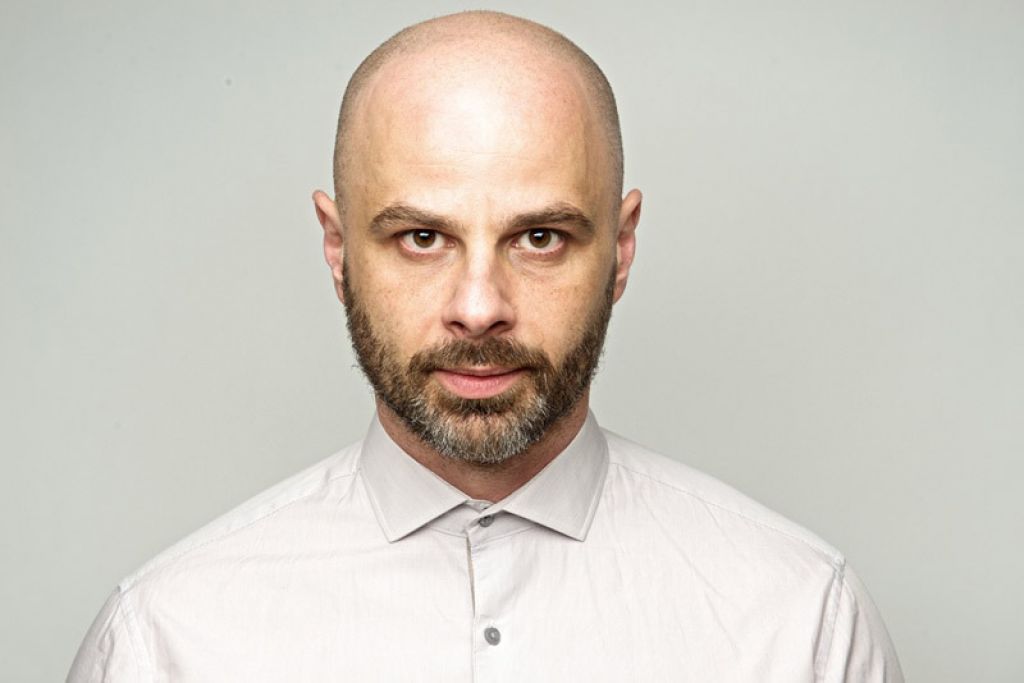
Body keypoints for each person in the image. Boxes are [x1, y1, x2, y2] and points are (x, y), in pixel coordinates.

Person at [68, 10, 903, 682]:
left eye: (540, 237)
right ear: (337, 248)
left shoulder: (803, 622)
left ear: (621, 250)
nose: (479, 309)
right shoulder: (165, 643)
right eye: (422, 237)